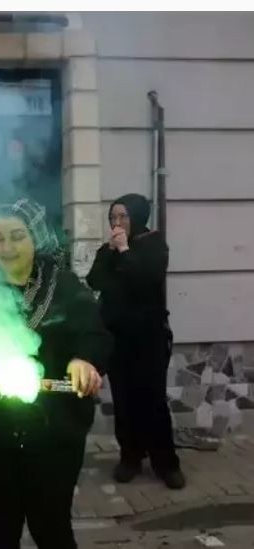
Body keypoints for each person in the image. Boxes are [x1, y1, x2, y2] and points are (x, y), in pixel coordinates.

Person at [0, 199, 111, 549]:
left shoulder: (64, 286)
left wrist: (84, 360)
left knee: (52, 525)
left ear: (37, 238)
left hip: (55, 431)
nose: (7, 247)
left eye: (17, 236)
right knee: (0, 526)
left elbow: (95, 333)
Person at [86, 193, 185, 490]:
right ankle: (130, 457)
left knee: (152, 400)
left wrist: (126, 252)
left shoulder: (154, 244)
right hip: (118, 338)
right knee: (125, 401)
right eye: (113, 218)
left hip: (149, 338)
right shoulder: (107, 251)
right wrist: (114, 254)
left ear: (137, 217)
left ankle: (165, 463)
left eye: (123, 217)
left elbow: (145, 279)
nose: (117, 223)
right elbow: (94, 281)